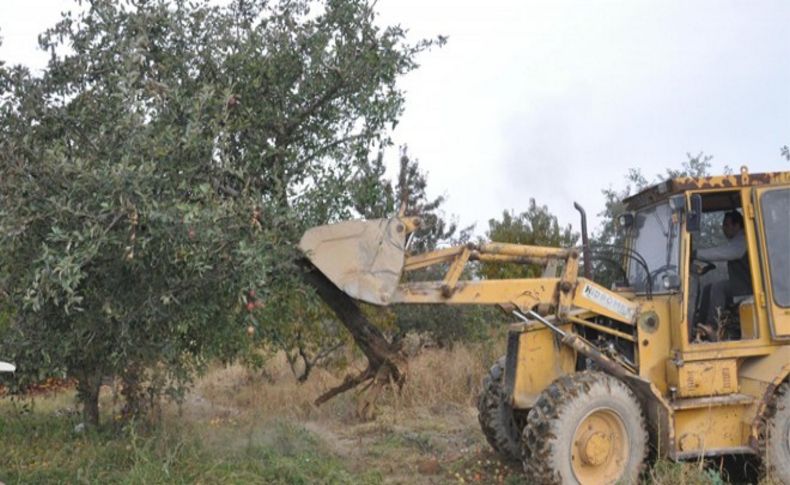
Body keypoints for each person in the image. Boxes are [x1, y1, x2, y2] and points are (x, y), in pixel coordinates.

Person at [695, 210, 752, 339]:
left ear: (737, 225)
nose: (723, 228)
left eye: (726, 225)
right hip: (741, 285)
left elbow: (724, 252)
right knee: (708, 288)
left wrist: (696, 253)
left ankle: (713, 327)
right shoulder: (737, 241)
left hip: (749, 287)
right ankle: (700, 326)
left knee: (718, 288)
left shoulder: (743, 239)